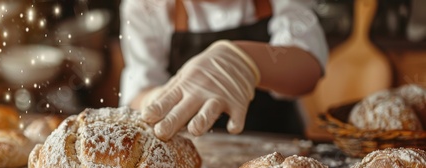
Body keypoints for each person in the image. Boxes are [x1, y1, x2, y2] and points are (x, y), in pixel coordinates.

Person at [118, 0, 328, 141]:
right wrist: (160, 100)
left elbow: (308, 70)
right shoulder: (145, 6)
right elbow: (139, 90)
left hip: (280, 144)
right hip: (197, 152)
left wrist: (244, 60)